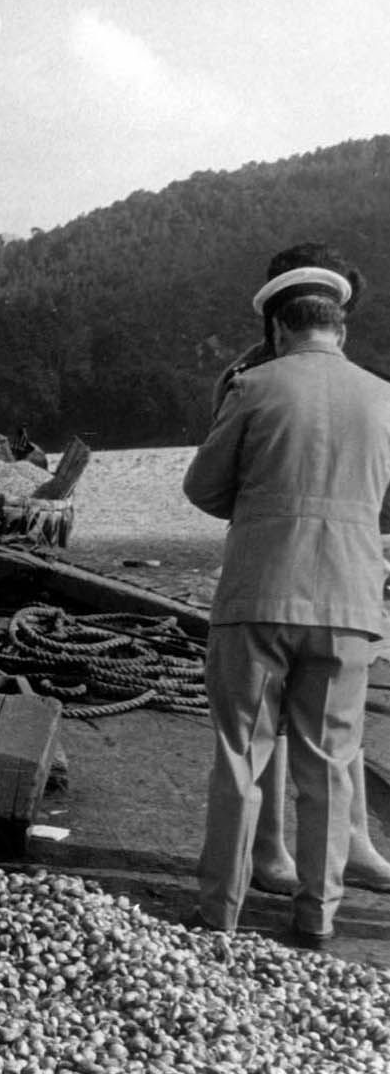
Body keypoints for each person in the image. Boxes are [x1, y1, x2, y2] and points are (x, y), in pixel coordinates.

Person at [184, 246, 390, 944]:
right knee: (331, 763)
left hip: (257, 597)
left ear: (275, 328)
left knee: (242, 755)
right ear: (340, 327)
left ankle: (220, 914)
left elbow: (202, 489)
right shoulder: (383, 397)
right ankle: (317, 917)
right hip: (350, 604)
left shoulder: (253, 387)